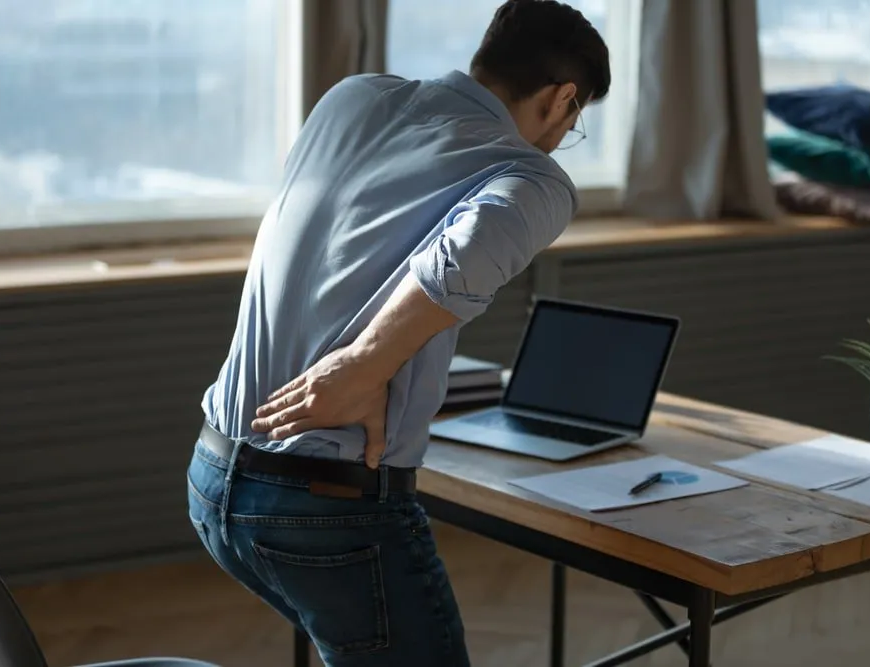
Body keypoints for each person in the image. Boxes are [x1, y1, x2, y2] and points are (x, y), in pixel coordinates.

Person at [186, 1, 610, 664]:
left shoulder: (352, 98)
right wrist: (360, 364)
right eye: (575, 121)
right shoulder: (531, 177)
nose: (564, 136)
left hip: (214, 477)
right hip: (326, 504)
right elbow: (465, 256)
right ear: (563, 100)